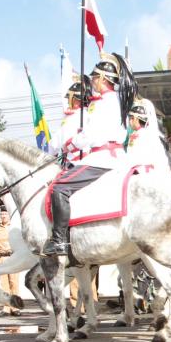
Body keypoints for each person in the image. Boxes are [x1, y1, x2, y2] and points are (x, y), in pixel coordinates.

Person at [45, 52, 132, 255]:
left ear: (102, 79)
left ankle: (59, 241)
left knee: (59, 187)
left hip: (101, 158)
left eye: (94, 77)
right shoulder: (113, 101)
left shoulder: (104, 103)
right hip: (114, 156)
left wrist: (72, 143)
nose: (92, 81)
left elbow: (93, 134)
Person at [50, 75, 92, 165]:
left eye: (69, 98)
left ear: (75, 99)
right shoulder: (88, 114)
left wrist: (48, 157)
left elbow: (55, 144)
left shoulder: (73, 117)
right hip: (87, 160)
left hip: (74, 162)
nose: (68, 101)